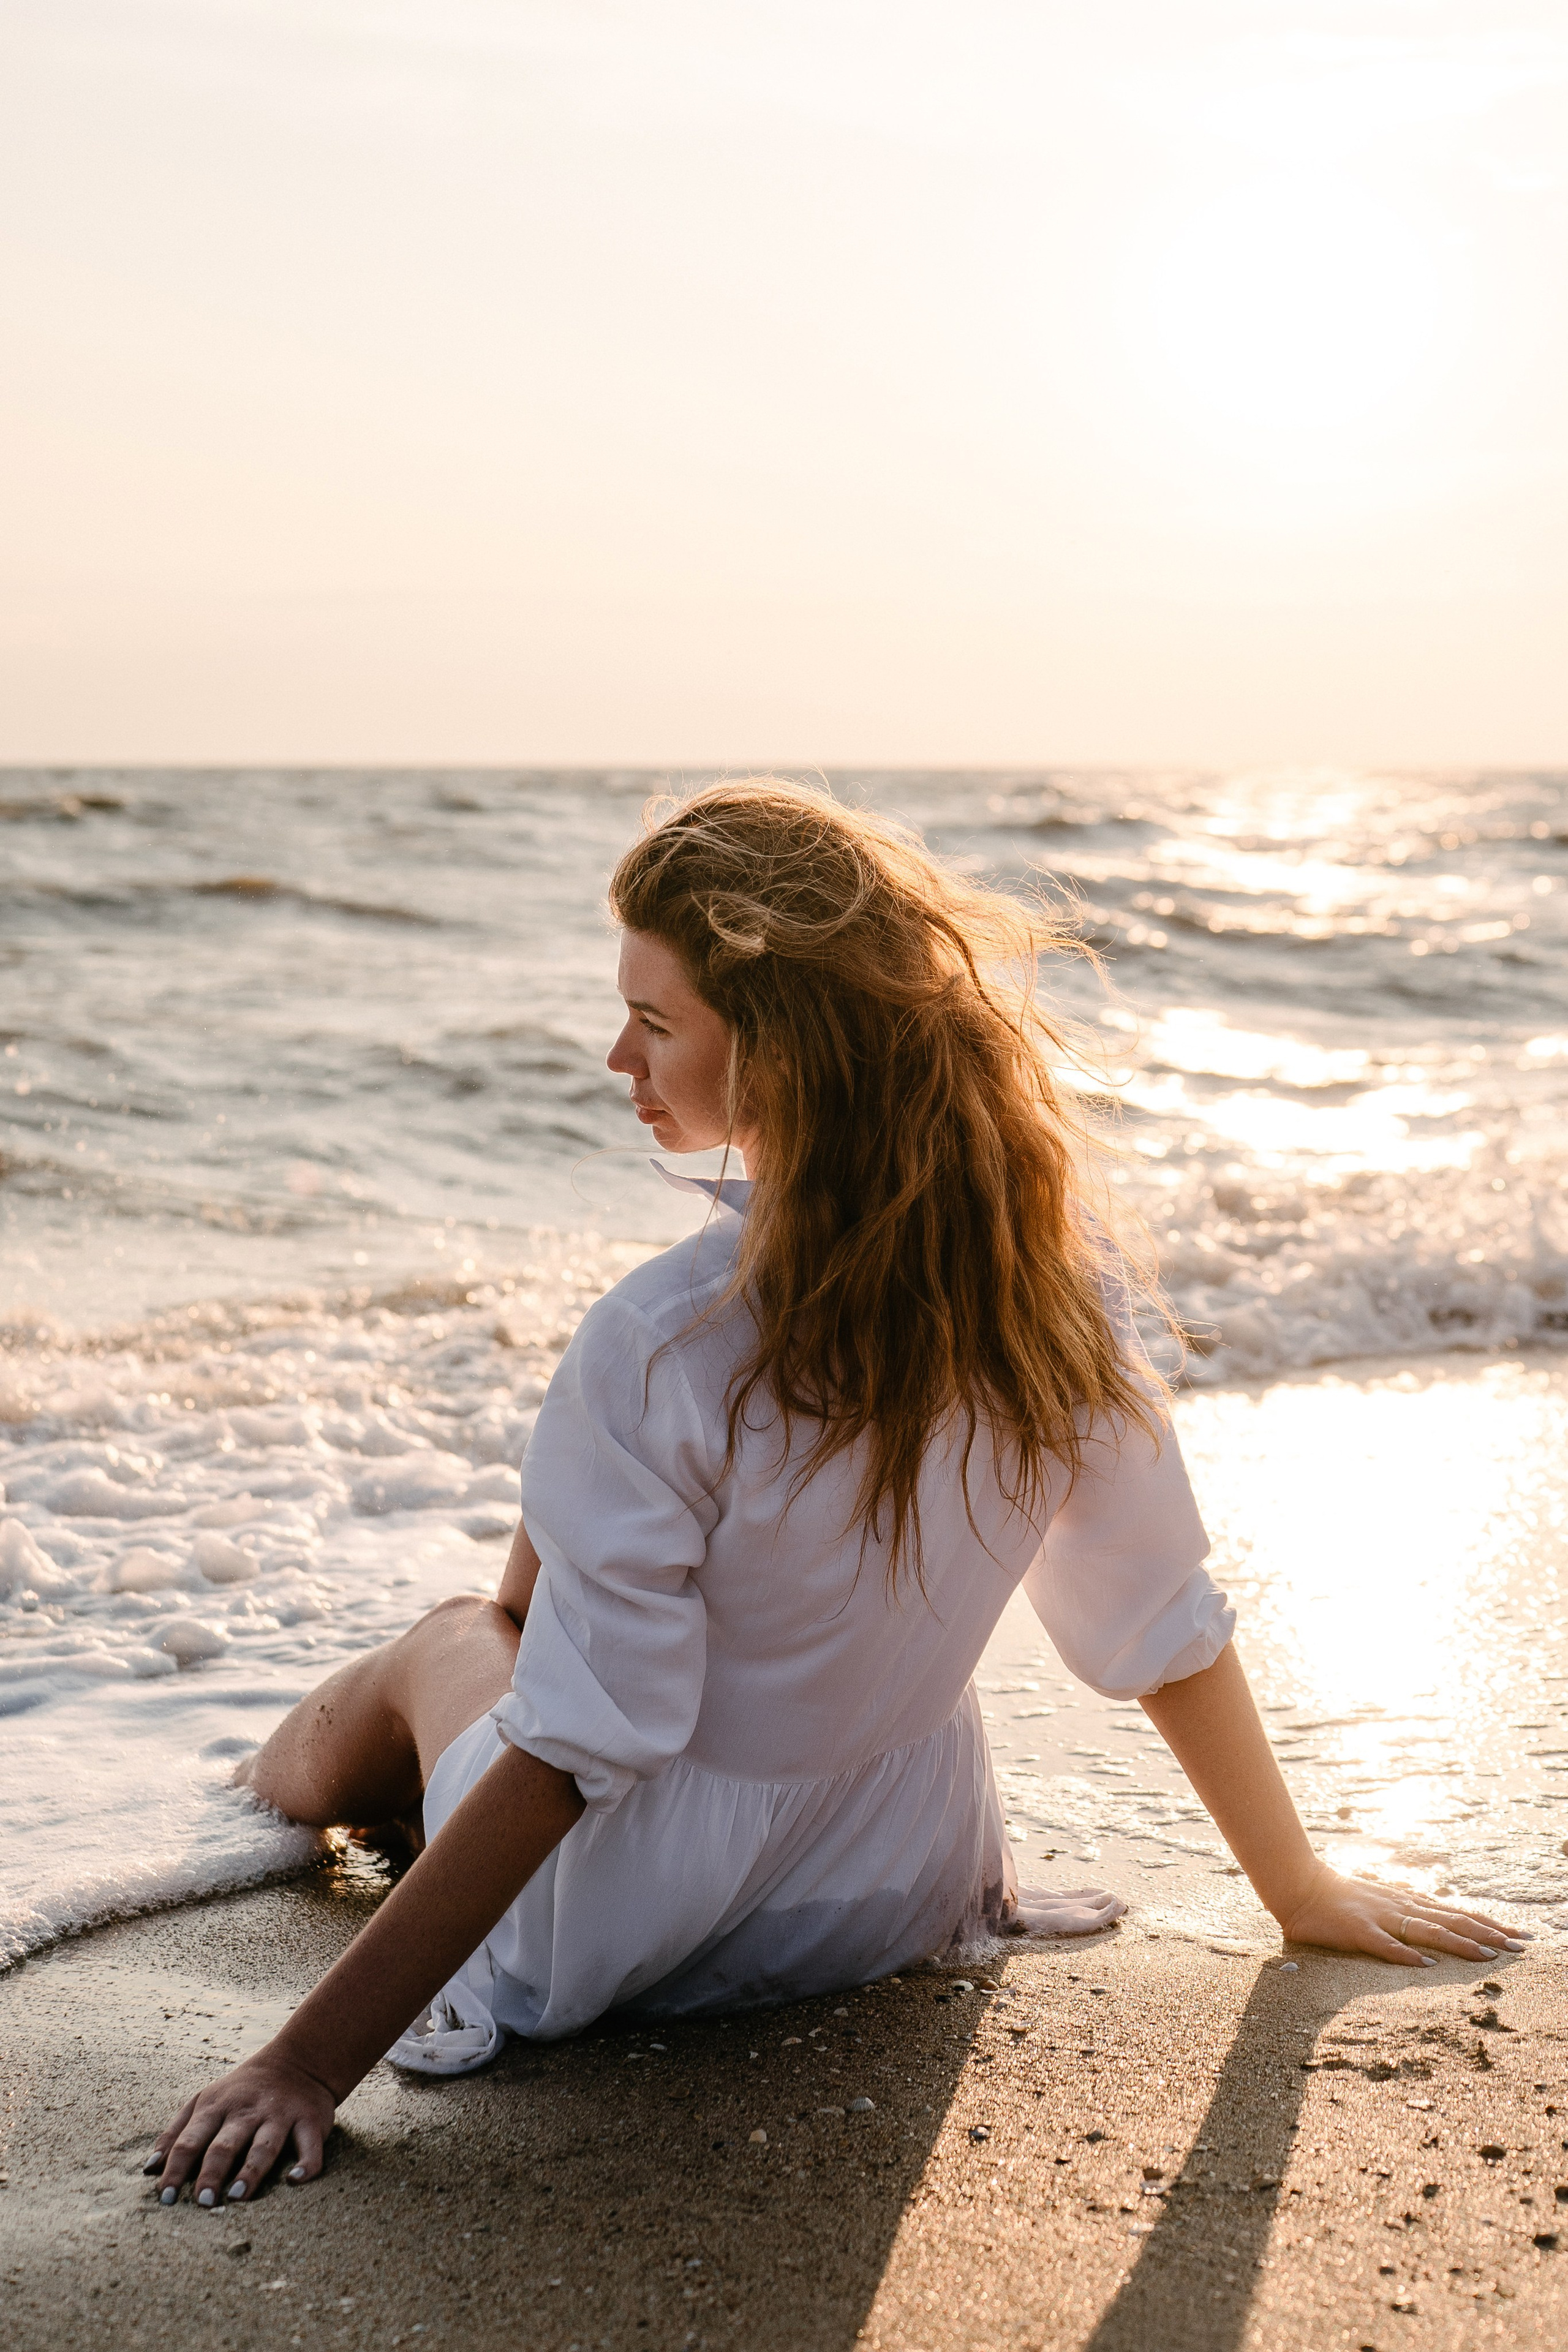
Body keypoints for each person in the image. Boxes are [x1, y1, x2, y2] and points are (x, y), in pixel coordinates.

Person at [146, 782, 1521, 2207]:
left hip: (615, 1931)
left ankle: (226, 1815)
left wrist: (303, 2065)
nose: (616, 1053)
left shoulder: (661, 1340)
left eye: (657, 1022)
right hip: (890, 1891)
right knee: (543, 1632)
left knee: (446, 1641)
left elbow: (571, 1754)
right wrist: (1293, 1888)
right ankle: (389, 1769)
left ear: (783, 1056)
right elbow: (1156, 1625)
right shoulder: (1051, 1295)